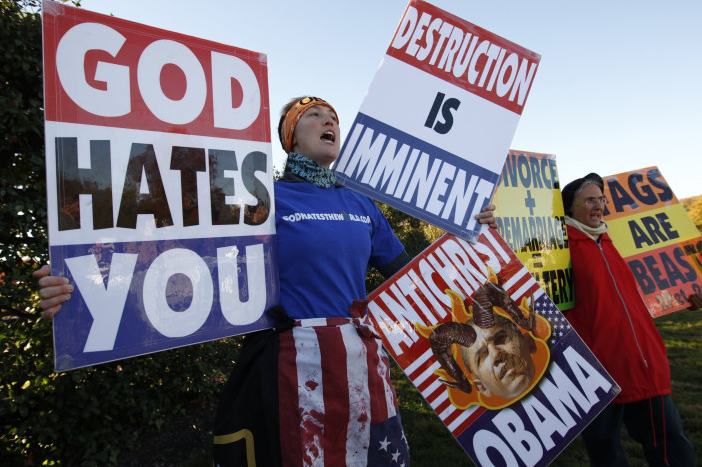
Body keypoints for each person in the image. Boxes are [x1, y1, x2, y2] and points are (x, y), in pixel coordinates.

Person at [35, 96, 499, 466]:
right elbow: (178, 261)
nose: (328, 120)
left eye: (332, 115)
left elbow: (414, 275)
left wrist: (472, 236)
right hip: (291, 362)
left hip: (363, 358)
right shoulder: (264, 197)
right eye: (313, 115)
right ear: (290, 138)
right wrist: (82, 285)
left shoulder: (362, 203)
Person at [561, 172, 702, 467]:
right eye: (589, 199)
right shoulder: (555, 250)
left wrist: (685, 295)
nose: (598, 205)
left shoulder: (617, 241)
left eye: (601, 199)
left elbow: (654, 287)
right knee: (607, 454)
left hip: (645, 364)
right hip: (596, 372)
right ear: (569, 208)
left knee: (671, 448)